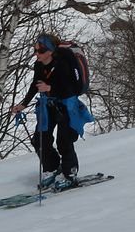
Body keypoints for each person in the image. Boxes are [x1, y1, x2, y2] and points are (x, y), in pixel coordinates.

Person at [9, 34, 93, 190]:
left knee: (64, 141)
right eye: (35, 50)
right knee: (40, 139)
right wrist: (23, 104)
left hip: (67, 105)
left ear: (50, 51)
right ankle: (52, 168)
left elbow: (70, 89)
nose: (37, 53)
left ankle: (70, 173)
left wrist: (50, 88)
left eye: (40, 50)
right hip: (47, 105)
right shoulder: (39, 65)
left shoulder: (62, 64)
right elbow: (35, 85)